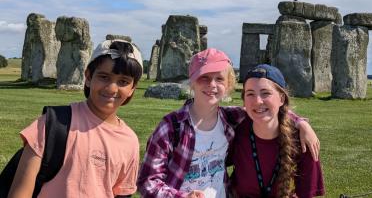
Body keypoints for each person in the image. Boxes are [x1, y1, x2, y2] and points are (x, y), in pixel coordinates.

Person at [137, 48, 320, 198]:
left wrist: (301, 123)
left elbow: (269, 111)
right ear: (192, 82)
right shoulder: (170, 127)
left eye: (219, 79)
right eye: (204, 78)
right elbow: (147, 181)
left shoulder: (231, 119)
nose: (212, 85)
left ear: (229, 84)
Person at [8, 39, 143, 198]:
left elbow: (122, 193)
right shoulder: (53, 123)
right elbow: (20, 193)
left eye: (123, 82)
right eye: (104, 77)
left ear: (132, 88)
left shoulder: (130, 141)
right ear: (88, 76)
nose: (112, 88)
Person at [228, 64, 325, 198]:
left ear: (281, 98)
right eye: (250, 93)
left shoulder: (303, 141)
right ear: (244, 100)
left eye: (265, 93)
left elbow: (307, 193)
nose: (257, 101)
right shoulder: (235, 132)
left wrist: (300, 123)